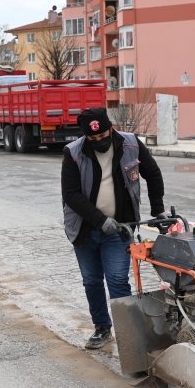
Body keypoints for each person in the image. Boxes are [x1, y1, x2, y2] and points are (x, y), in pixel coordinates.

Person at [61, 108, 168, 349]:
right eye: (93, 139)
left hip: (120, 228)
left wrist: (158, 209)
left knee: (118, 280)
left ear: (111, 128)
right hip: (85, 228)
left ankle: (128, 334)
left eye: (103, 136)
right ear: (86, 137)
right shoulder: (74, 153)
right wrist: (100, 220)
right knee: (92, 281)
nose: (100, 142)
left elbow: (153, 173)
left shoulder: (130, 144)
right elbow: (71, 194)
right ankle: (102, 328)